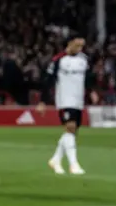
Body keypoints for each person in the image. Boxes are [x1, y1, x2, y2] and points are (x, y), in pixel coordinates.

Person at [37, 36, 98, 175]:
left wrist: (92, 91)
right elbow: (48, 81)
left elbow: (88, 77)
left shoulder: (84, 59)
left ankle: (56, 159)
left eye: (82, 46)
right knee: (70, 128)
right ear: (70, 44)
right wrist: (43, 101)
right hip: (64, 99)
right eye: (77, 45)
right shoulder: (58, 60)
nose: (80, 48)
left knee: (72, 132)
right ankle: (74, 164)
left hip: (78, 100)